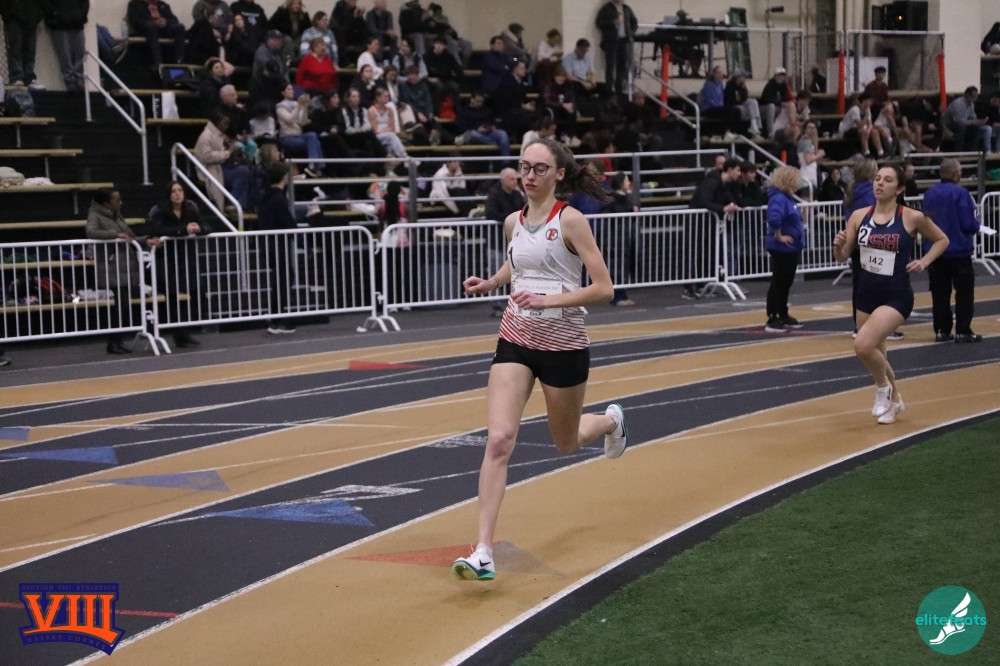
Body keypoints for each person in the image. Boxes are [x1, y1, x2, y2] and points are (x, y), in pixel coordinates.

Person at [450, 138, 628, 582]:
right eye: (523, 167)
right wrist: (492, 282)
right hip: (515, 338)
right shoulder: (512, 221)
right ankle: (483, 551)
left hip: (564, 344)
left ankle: (610, 421)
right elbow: (519, 263)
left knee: (566, 441)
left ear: (558, 174)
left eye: (539, 169)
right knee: (499, 440)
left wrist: (550, 301)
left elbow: (604, 288)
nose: (528, 176)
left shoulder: (571, 221)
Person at [833, 164, 949, 424]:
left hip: (896, 295)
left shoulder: (911, 217)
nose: (879, 183)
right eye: (877, 179)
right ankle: (895, 401)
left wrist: (924, 261)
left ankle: (882, 388)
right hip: (866, 293)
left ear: (899, 189)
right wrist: (837, 246)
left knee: (862, 345)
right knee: (878, 353)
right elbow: (842, 256)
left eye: (887, 180)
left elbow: (942, 239)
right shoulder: (859, 216)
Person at [86, 189, 162, 354]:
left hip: (124, 265)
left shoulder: (117, 215)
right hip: (111, 265)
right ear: (106, 203)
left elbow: (129, 236)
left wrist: (145, 241)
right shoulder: (95, 214)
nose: (121, 203)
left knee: (123, 305)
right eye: (117, 200)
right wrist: (114, 235)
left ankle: (116, 340)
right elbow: (91, 232)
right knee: (121, 305)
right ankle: (114, 341)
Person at [921, 159, 983, 343]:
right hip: (959, 250)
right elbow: (968, 223)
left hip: (935, 251)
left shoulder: (929, 194)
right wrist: (977, 225)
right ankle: (963, 330)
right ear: (956, 173)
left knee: (939, 292)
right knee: (964, 293)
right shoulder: (961, 193)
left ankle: (942, 330)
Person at [147, 181, 210, 349]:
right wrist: (183, 230)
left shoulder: (190, 209)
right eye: (174, 191)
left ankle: (187, 329)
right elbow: (159, 231)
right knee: (173, 297)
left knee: (197, 291)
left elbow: (206, 226)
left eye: (180, 190)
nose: (177, 194)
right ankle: (179, 334)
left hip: (186, 259)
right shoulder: (160, 212)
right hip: (167, 259)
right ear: (168, 195)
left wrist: (199, 229)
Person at [255, 163, 298, 335]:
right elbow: (287, 221)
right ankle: (277, 318)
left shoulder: (265, 196)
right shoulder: (278, 198)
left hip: (268, 244)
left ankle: (276, 316)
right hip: (277, 244)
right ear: (283, 177)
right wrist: (300, 238)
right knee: (283, 279)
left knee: (281, 278)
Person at [764, 166, 806, 333]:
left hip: (791, 247)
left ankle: (782, 312)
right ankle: (773, 315)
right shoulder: (779, 198)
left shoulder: (787, 198)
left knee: (785, 282)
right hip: (782, 248)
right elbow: (774, 218)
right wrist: (779, 236)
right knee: (779, 281)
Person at [194, 109, 252, 210]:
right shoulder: (205, 136)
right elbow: (206, 156)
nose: (227, 126)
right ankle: (232, 203)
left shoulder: (222, 134)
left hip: (223, 167)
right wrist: (227, 152)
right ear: (217, 123)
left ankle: (237, 204)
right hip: (211, 170)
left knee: (248, 171)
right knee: (242, 172)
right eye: (225, 123)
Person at [276, 84, 325, 174]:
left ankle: (312, 165)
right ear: (283, 92)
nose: (292, 91)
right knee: (315, 142)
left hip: (299, 135)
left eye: (292, 89)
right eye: (289, 89)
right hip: (287, 137)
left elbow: (302, 122)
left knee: (312, 135)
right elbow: (290, 120)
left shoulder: (296, 104)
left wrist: (305, 107)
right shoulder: (280, 107)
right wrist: (299, 105)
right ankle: (317, 169)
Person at [42, 0, 88, 92]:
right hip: (59, 23)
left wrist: (81, 16)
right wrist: (55, 14)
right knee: (64, 54)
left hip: (76, 22)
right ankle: (70, 80)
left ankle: (78, 78)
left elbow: (85, 3)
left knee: (80, 52)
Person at [126, 0, 187, 69]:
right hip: (146, 30)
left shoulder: (162, 5)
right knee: (151, 27)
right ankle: (158, 62)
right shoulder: (135, 4)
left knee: (179, 27)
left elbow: (174, 19)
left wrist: (166, 21)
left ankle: (180, 60)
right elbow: (136, 21)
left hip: (163, 29)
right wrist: (155, 23)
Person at [595, 0, 637, 96]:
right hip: (611, 41)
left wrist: (630, 33)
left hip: (624, 40)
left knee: (622, 64)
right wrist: (612, 22)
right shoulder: (606, 8)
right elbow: (599, 22)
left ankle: (619, 88)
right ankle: (609, 88)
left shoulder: (626, 8)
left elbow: (634, 22)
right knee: (611, 65)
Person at [455, 91, 511, 156]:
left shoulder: (487, 110)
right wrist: (477, 129)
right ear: (472, 99)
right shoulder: (464, 111)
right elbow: (461, 127)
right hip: (474, 133)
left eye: (481, 101)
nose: (480, 103)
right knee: (472, 133)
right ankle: (492, 143)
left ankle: (506, 160)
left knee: (503, 133)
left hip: (489, 132)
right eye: (478, 101)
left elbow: (493, 122)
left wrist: (492, 127)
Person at [3, 0, 44, 89]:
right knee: (15, 50)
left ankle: (29, 78)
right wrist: (8, 15)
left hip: (32, 16)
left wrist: (38, 14)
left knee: (30, 51)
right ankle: (16, 78)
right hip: (14, 18)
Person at [942, 86, 992, 153]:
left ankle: (972, 151)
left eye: (976, 97)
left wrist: (978, 121)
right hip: (950, 124)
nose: (975, 99)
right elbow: (957, 120)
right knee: (961, 127)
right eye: (973, 96)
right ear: (967, 95)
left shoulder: (971, 105)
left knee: (976, 128)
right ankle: (958, 151)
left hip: (963, 124)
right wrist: (972, 122)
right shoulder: (957, 103)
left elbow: (972, 116)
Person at [839, 92, 883, 157]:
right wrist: (866, 116)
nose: (871, 103)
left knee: (874, 131)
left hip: (860, 129)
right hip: (848, 130)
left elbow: (870, 124)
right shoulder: (855, 109)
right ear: (864, 101)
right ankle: (866, 153)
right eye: (870, 101)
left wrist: (869, 130)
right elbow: (859, 125)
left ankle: (880, 153)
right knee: (863, 131)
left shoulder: (867, 109)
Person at [724, 69, 764, 138]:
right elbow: (733, 100)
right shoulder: (730, 86)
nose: (745, 78)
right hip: (733, 106)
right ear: (738, 77)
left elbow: (745, 97)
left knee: (753, 102)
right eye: (743, 77)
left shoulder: (742, 86)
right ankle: (754, 127)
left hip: (741, 104)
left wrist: (743, 88)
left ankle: (754, 126)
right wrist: (742, 100)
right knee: (749, 109)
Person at [760, 66, 792, 138]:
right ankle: (771, 132)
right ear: (775, 76)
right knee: (771, 107)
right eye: (779, 75)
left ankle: (786, 130)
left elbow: (785, 98)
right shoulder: (770, 85)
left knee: (789, 106)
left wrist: (784, 103)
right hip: (764, 107)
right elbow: (767, 100)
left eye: (782, 75)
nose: (781, 77)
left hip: (777, 107)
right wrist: (780, 103)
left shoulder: (784, 85)